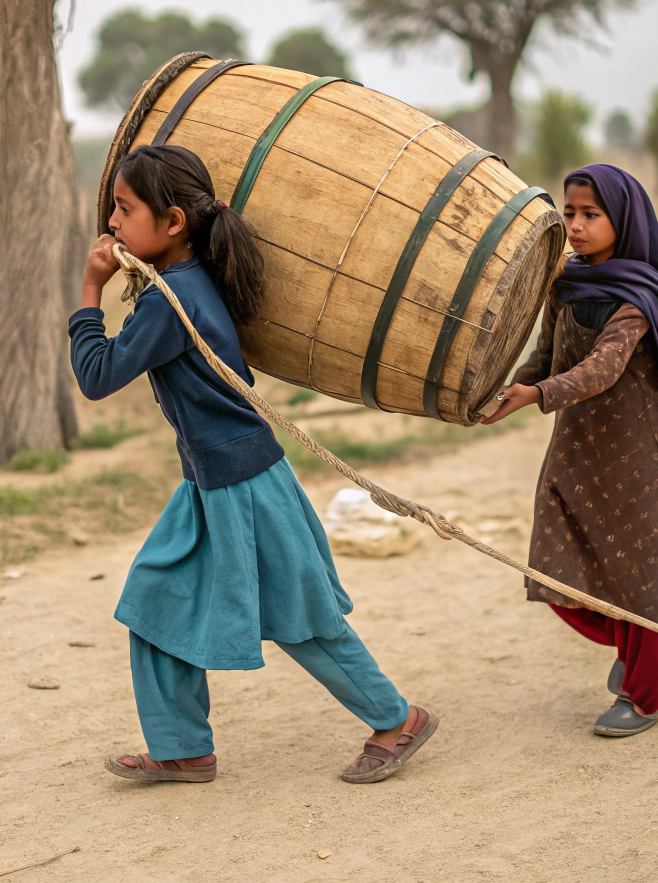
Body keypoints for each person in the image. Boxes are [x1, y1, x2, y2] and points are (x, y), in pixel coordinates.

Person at [68, 144, 437, 783]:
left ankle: (396, 718)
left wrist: (90, 290)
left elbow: (96, 376)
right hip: (210, 482)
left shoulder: (167, 301)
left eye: (125, 210)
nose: (113, 224)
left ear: (175, 222)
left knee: (302, 618)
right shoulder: (186, 282)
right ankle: (183, 747)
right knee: (156, 601)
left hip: (244, 483)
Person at [482, 163, 658, 737]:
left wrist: (538, 394)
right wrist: (499, 389)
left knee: (634, 577)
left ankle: (644, 697)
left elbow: (602, 369)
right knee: (554, 556)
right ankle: (633, 649)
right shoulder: (567, 284)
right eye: (570, 212)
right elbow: (548, 356)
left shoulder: (638, 298)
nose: (575, 225)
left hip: (636, 450)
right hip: (578, 446)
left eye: (590, 214)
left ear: (622, 220)